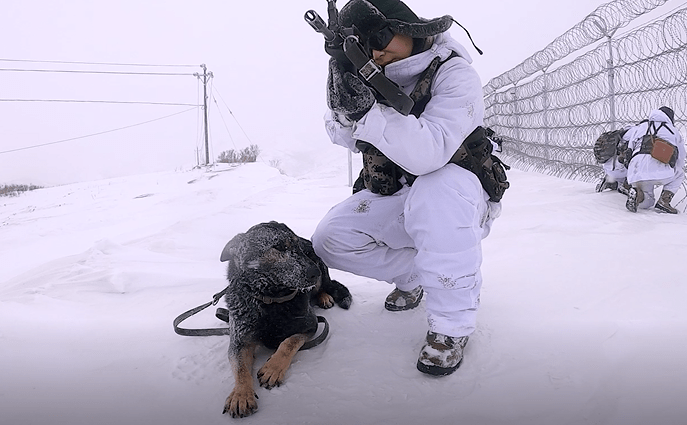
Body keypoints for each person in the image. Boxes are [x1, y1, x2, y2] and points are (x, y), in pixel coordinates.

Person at [311, 0, 501, 376]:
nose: (377, 51)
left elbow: (429, 153)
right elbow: (345, 138)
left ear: (407, 27)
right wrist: (345, 99)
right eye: (365, 45)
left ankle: (451, 323)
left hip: (456, 198)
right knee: (329, 238)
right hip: (399, 194)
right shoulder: (370, 75)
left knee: (436, 191)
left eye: (381, 36)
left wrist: (370, 112)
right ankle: (417, 276)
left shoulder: (454, 73)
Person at [624, 106, 685, 213]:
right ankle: (664, 201)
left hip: (635, 171)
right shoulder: (673, 131)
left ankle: (637, 194)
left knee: (647, 203)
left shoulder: (641, 127)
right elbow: (681, 158)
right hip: (659, 170)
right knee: (680, 173)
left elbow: (629, 149)